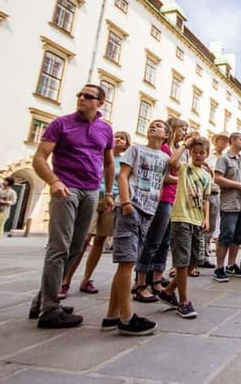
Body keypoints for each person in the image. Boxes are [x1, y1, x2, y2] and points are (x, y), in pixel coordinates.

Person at [29, 84, 115, 328]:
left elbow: (109, 164)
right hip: (66, 189)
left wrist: (108, 193)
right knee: (59, 248)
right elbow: (39, 158)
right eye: (79, 94)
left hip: (91, 191)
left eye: (88, 96)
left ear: (100, 102)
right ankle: (50, 310)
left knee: (77, 247)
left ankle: (42, 301)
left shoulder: (105, 129)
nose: (81, 99)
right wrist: (53, 181)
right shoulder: (61, 123)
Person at [103, 119, 171, 336]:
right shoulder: (135, 149)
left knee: (126, 262)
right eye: (152, 124)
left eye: (159, 126)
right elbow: (123, 176)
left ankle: (112, 315)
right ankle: (126, 318)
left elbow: (161, 181)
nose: (153, 126)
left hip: (148, 211)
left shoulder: (165, 158)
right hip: (131, 208)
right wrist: (125, 203)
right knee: (127, 261)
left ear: (166, 135)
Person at [60, 131, 131, 297]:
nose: (117, 139)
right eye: (116, 136)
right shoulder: (100, 156)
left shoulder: (125, 162)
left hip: (112, 200)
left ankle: (86, 279)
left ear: (126, 145)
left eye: (122, 138)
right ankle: (65, 280)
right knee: (83, 239)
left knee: (99, 240)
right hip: (92, 195)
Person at [156, 134, 212, 318]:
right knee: (182, 261)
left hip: (197, 220)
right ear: (190, 153)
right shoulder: (184, 168)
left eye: (202, 152)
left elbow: (205, 198)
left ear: (207, 154)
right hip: (181, 218)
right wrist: (186, 144)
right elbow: (172, 161)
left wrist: (206, 218)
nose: (198, 155)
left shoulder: (206, 175)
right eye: (194, 152)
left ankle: (168, 291)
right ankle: (184, 301)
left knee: (196, 260)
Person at [133, 118, 187, 303]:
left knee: (164, 242)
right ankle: (140, 283)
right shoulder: (164, 150)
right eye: (183, 128)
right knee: (153, 241)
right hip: (161, 198)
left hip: (172, 199)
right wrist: (183, 180)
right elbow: (166, 175)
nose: (185, 132)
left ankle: (156, 279)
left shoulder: (172, 149)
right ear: (172, 130)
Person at [212, 133, 241, 282]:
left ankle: (231, 264)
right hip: (230, 203)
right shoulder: (223, 159)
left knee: (239, 235)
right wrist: (238, 185)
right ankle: (219, 267)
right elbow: (217, 178)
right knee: (226, 234)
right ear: (233, 141)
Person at [202, 132, 229, 269]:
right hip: (207, 192)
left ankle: (205, 255)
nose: (224, 142)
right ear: (216, 141)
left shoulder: (225, 158)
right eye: (222, 139)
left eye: (226, 140)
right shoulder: (209, 156)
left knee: (213, 227)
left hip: (219, 193)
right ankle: (201, 256)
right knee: (204, 225)